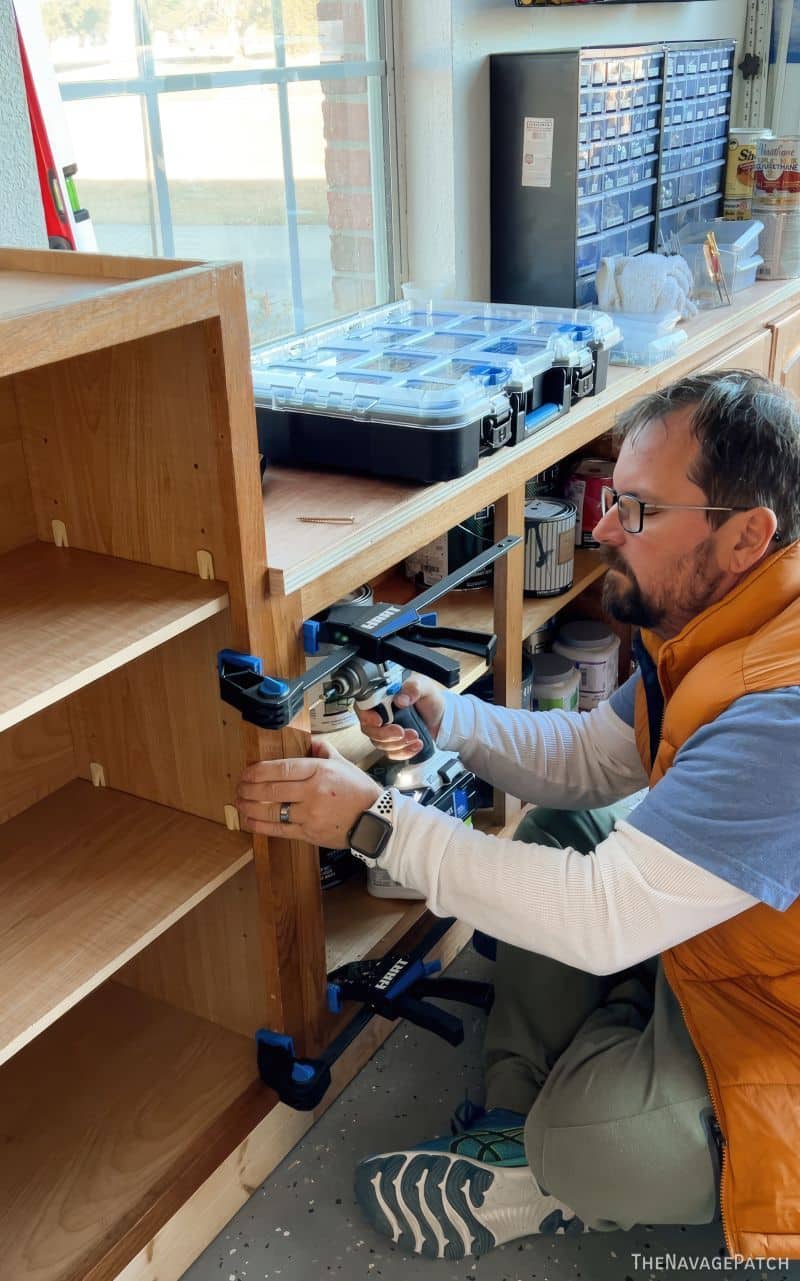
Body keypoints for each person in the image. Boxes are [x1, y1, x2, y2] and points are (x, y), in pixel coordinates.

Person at [236, 371, 800, 1262]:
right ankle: (516, 1113)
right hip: (738, 947)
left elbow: (600, 914)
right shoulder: (722, 618)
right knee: (559, 833)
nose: (604, 528)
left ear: (746, 536)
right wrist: (447, 718)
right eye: (612, 497)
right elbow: (592, 757)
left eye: (638, 510)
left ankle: (557, 1151)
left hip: (777, 1020)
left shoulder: (785, 709)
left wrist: (375, 825)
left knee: (591, 1139)